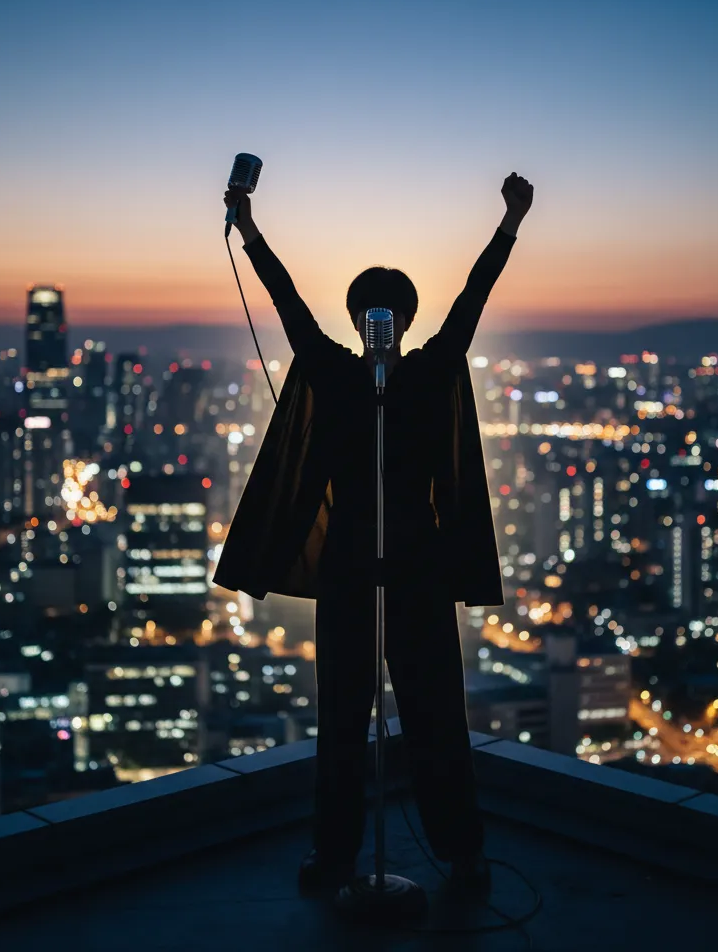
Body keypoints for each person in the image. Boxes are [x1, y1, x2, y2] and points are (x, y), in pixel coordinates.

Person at [212, 172, 533, 897]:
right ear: (367, 321)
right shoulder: (345, 372)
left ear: (393, 323)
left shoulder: (411, 374)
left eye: (384, 314)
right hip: (366, 571)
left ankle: (447, 853)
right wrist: (250, 230)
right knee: (347, 719)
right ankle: (350, 856)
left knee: (433, 715)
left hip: (398, 570)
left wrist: (509, 225)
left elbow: (473, 300)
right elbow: (287, 303)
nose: (377, 322)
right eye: (373, 313)